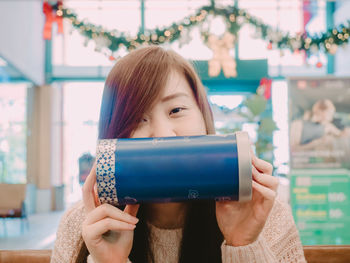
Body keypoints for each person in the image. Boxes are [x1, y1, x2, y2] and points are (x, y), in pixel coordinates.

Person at [51, 46, 306, 263]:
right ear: (114, 133)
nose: (162, 134)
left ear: (203, 117)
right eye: (138, 118)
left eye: (176, 110)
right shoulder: (82, 226)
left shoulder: (264, 214)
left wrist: (243, 245)